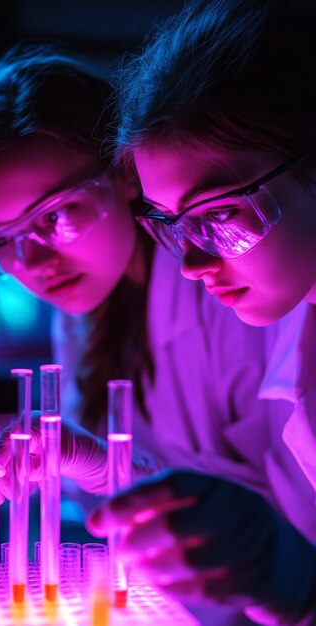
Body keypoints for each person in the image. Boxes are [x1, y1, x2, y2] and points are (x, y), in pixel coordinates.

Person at [0, 39, 314, 625]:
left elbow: (272, 524)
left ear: (123, 175)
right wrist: (102, 467)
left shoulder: (244, 294)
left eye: (53, 216)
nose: (31, 260)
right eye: (1, 240)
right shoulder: (85, 307)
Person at [85, 0, 316, 624]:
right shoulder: (298, 333)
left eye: (217, 215)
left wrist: (298, 582)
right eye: (172, 225)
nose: (189, 265)